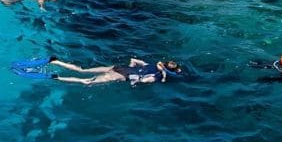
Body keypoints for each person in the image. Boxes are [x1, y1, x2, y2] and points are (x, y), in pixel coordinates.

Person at [48, 57, 182, 86]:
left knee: (84, 70)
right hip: (122, 75)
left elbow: (133, 60)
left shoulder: (149, 63)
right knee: (87, 82)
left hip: (117, 67)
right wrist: (136, 83)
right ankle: (57, 78)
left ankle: (56, 61)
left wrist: (131, 66)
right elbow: (141, 80)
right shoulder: (155, 76)